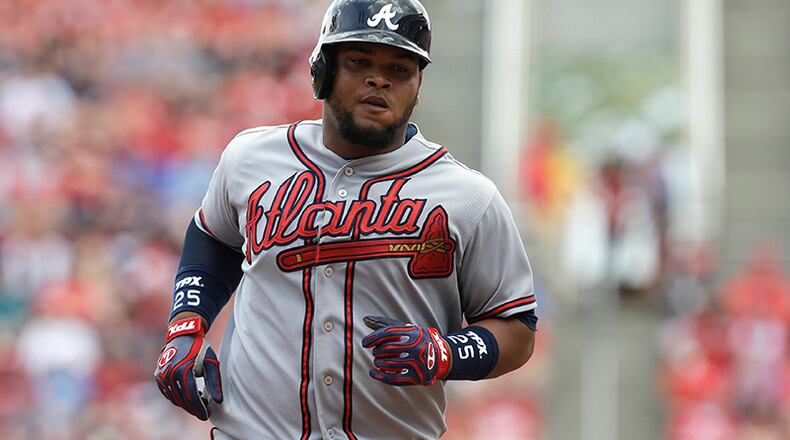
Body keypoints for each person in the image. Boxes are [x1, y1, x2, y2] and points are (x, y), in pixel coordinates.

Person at [153, 1, 538, 439]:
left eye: (399, 69)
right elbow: (213, 238)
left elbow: (516, 329)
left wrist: (446, 353)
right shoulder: (250, 159)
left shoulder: (468, 197)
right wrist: (185, 325)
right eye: (359, 62)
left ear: (418, 85)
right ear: (323, 70)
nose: (379, 80)